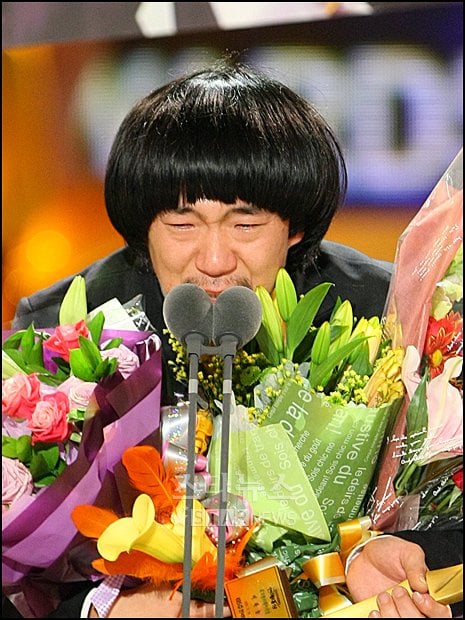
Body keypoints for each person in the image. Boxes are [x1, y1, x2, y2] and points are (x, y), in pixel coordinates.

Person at [6, 57, 461, 618]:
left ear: (294, 226)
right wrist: (98, 608)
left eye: (245, 224)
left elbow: (447, 507)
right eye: (181, 224)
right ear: (143, 225)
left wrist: (395, 556)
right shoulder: (65, 333)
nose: (215, 260)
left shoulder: (386, 314)